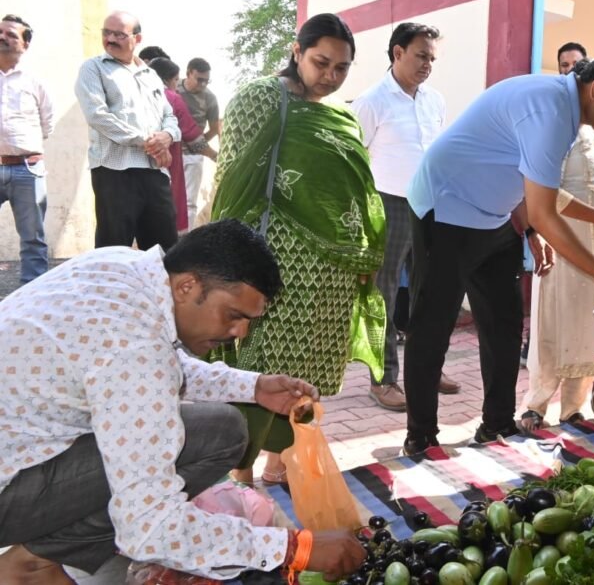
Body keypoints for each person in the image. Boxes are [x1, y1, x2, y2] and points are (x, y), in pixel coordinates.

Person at [0, 220, 367, 583]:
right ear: (187, 286)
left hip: (19, 452)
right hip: (8, 489)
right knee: (206, 448)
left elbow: (155, 367)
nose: (240, 333)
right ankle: (34, 564)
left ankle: (38, 555)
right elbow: (148, 528)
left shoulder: (122, 267)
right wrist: (293, 548)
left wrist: (254, 387)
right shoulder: (135, 350)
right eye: (234, 316)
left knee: (222, 429)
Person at [402, 52, 594, 455]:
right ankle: (421, 437)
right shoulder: (552, 110)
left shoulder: (565, 110)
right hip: (445, 207)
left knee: (503, 324)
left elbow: (540, 187)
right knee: (432, 327)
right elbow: (543, 211)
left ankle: (497, 425)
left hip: (493, 215)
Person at [211, 13, 386, 487]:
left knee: (308, 369)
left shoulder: (340, 113)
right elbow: (233, 180)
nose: (330, 76)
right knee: (260, 367)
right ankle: (241, 471)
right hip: (276, 261)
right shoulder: (260, 99)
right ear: (296, 51)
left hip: (330, 270)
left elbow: (354, 186)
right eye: (321, 62)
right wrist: (231, 263)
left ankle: (280, 463)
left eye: (341, 68)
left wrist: (362, 255)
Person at [519, 56, 594, 430]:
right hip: (563, 239)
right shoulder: (558, 128)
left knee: (592, 325)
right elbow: (548, 196)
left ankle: (573, 409)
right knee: (553, 322)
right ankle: (535, 405)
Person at [351, 22, 459, 411]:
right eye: (420, 56)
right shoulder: (372, 100)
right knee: (382, 295)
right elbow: (355, 162)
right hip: (387, 204)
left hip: (429, 205)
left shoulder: (434, 100)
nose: (427, 64)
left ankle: (426, 369)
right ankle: (383, 381)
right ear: (397, 53)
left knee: (429, 293)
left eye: (432, 58)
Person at [74, 11, 180, 251]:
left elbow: (169, 115)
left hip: (155, 170)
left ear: (137, 38)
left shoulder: (151, 75)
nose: (110, 38)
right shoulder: (93, 69)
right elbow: (97, 116)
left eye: (119, 34)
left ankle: (159, 291)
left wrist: (167, 136)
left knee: (165, 251)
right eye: (106, 33)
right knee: (114, 249)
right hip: (115, 171)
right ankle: (111, 291)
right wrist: (147, 143)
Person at [0, 14, 53, 284]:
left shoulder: (35, 83)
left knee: (33, 238)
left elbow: (47, 124)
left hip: (27, 169)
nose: (3, 37)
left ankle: (33, 294)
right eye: (0, 32)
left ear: (25, 44)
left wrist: (23, 148)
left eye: (11, 34)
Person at [148, 57, 216, 233]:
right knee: (172, 204)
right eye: (175, 80)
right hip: (168, 160)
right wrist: (216, 156)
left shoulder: (133, 95)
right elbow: (192, 134)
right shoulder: (172, 97)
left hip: (132, 165)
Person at [177, 57, 220, 230]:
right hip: (168, 152)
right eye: (199, 79)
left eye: (206, 80)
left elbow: (216, 127)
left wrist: (197, 144)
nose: (203, 84)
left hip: (194, 156)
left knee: (189, 201)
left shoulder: (209, 98)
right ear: (188, 73)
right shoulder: (173, 88)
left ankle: (183, 239)